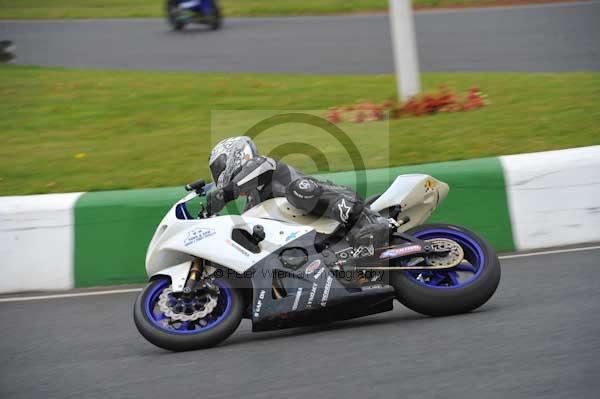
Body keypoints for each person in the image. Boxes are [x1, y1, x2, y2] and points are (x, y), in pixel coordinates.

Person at [206, 136, 388, 251]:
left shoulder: (262, 164)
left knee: (297, 190)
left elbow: (259, 170)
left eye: (218, 168)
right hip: (319, 241)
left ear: (237, 156)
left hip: (337, 199)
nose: (217, 175)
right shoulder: (252, 204)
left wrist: (225, 194)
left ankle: (369, 220)